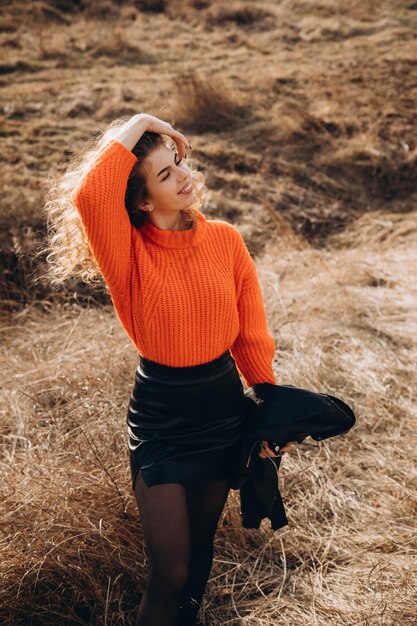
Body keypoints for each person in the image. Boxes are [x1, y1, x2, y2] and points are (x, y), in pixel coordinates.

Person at [44, 113, 292, 626]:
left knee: (199, 559)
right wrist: (141, 122)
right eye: (164, 175)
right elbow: (92, 195)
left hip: (221, 410)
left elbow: (251, 333)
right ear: (140, 200)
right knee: (170, 571)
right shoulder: (126, 254)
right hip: (162, 418)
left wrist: (268, 410)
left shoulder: (224, 239)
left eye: (178, 163)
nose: (183, 176)